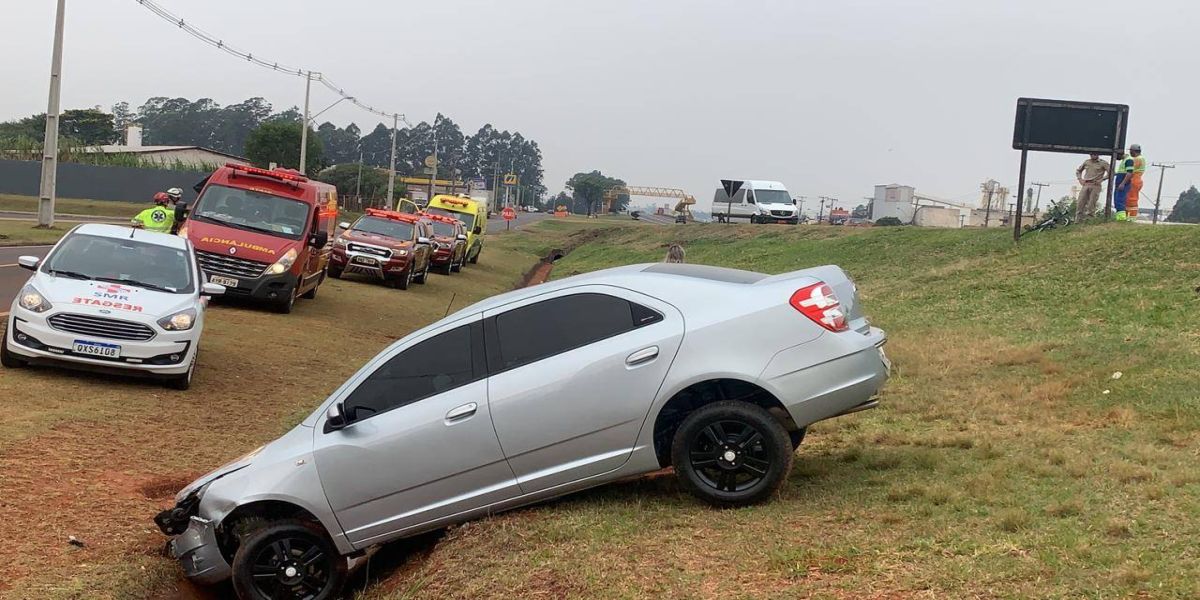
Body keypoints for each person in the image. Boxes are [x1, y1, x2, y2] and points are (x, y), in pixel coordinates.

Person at [1074, 153, 1109, 222]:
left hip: (1095, 185)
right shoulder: (1087, 162)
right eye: (1091, 154)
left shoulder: (1103, 163)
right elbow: (1078, 171)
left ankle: (1089, 220)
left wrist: (1102, 179)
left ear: (1098, 155)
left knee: (1092, 203)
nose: (1093, 155)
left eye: (1094, 154)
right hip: (1086, 184)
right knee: (1080, 202)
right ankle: (1078, 220)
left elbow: (1111, 172)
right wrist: (1080, 179)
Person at [1120, 144, 1147, 221]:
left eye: (1130, 151)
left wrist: (1126, 159)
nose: (1130, 152)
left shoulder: (1138, 159)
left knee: (1132, 199)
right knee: (1128, 199)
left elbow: (1130, 168)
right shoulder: (1140, 158)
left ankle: (1131, 218)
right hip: (1135, 179)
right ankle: (1128, 217)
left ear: (1133, 151)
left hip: (1134, 180)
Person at [1112, 149, 1129, 220]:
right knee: (1117, 200)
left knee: (1120, 200)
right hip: (1119, 182)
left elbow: (1129, 173)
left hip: (1122, 183)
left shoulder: (1128, 160)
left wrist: (1123, 183)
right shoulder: (1124, 160)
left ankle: (1121, 218)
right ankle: (1119, 218)